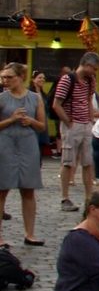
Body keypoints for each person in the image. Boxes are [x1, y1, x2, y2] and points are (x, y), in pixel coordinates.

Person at [0, 62, 45, 247]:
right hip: (5, 143)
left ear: (20, 77)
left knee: (28, 189)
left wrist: (31, 120)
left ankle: (30, 233)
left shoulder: (35, 98)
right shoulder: (2, 98)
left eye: (9, 77)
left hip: (28, 143)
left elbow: (42, 127)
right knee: (1, 190)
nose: (5, 80)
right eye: (3, 77)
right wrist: (11, 119)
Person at [52, 52, 99, 213]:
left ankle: (89, 198)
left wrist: (89, 119)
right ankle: (64, 197)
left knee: (88, 162)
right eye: (93, 68)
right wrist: (68, 122)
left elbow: (88, 100)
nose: (94, 72)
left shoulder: (90, 80)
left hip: (86, 124)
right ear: (86, 65)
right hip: (72, 125)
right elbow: (56, 104)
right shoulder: (67, 80)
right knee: (68, 161)